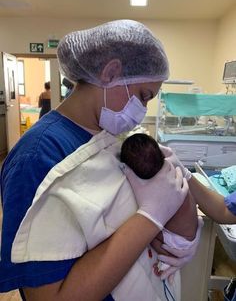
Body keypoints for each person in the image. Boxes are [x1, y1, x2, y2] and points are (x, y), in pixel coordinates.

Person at [0, 19, 234, 301]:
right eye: (144, 96)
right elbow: (48, 297)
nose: (143, 109)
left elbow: (217, 208)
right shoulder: (38, 156)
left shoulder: (108, 137)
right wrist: (150, 218)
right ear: (111, 72)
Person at [120, 133, 201, 274]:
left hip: (177, 242)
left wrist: (126, 171)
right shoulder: (170, 169)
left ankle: (164, 263)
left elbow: (132, 179)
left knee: (151, 239)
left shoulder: (151, 188)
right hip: (191, 230)